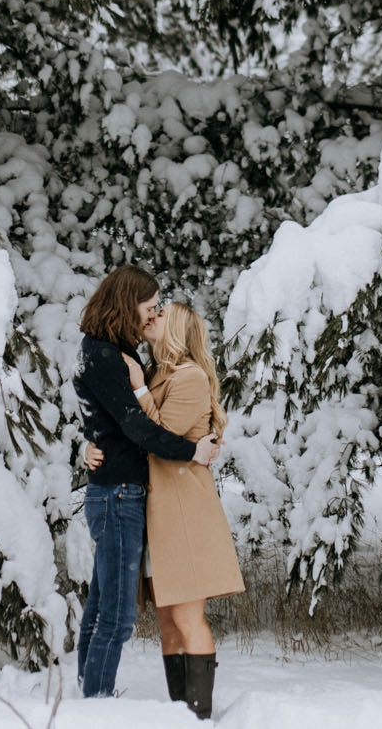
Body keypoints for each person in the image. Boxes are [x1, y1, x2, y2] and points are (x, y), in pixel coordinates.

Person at [73, 265, 220, 700]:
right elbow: (136, 427)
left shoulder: (132, 359)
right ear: (127, 304)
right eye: (149, 308)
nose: (152, 316)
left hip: (143, 497)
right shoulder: (109, 355)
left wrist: (95, 441)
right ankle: (94, 703)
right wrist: (89, 445)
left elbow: (130, 423)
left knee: (109, 609)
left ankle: (100, 699)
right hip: (120, 493)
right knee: (115, 615)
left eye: (160, 311)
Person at [136, 302, 244, 721]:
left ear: (177, 328)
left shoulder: (191, 378)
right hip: (157, 512)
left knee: (185, 615)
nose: (151, 318)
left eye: (160, 314)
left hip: (183, 510)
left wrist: (139, 391)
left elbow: (158, 434)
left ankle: (198, 717)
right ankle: (180, 716)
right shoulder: (155, 376)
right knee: (166, 620)